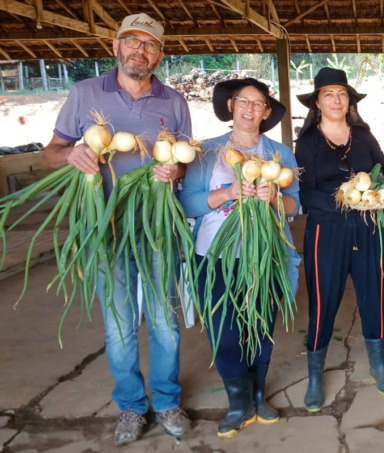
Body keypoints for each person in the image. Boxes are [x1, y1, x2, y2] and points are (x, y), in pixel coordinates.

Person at [41, 13, 190, 444]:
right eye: (132, 41)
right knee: (119, 322)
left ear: (159, 55)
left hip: (157, 227)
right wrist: (71, 157)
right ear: (115, 46)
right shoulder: (85, 92)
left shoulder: (174, 101)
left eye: (149, 45)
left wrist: (175, 171)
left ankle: (165, 400)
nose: (139, 50)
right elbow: (51, 153)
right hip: (105, 228)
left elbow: (182, 161)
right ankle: (130, 405)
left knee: (164, 321)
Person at [177, 78, 300, 437]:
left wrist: (275, 197)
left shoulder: (280, 154)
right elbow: (188, 203)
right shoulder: (206, 151)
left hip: (266, 255)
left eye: (258, 103)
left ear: (266, 112)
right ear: (230, 107)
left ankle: (259, 397)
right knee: (225, 333)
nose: (249, 109)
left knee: (261, 328)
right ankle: (238, 402)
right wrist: (228, 192)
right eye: (242, 101)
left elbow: (295, 206)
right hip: (215, 255)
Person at [295, 68, 384, 411]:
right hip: (327, 230)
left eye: (342, 94)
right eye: (329, 94)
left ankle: (378, 366)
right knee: (323, 301)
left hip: (370, 226)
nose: (336, 100)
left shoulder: (364, 136)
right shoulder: (308, 141)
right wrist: (340, 201)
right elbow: (304, 193)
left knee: (375, 294)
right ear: (318, 103)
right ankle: (314, 376)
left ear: (349, 100)